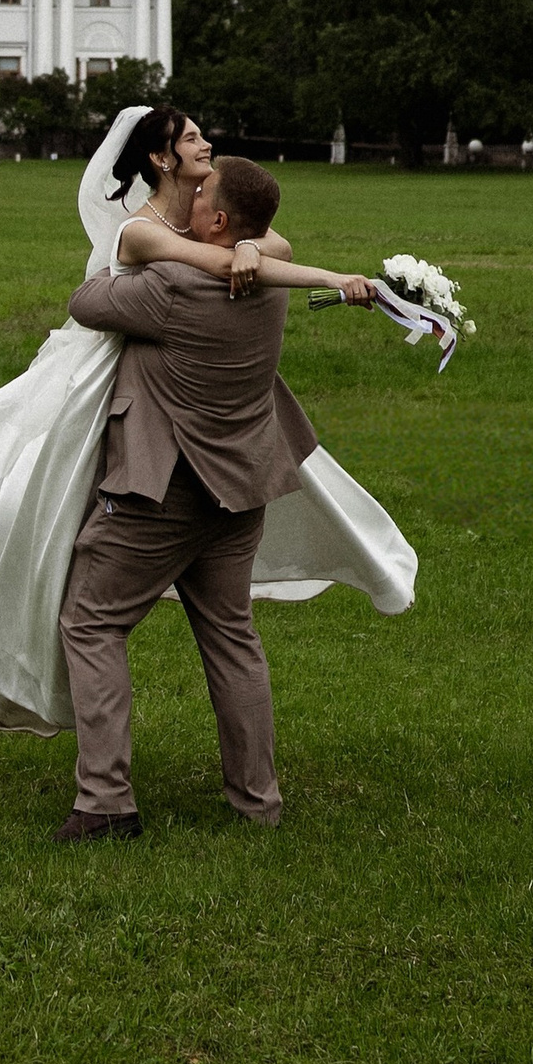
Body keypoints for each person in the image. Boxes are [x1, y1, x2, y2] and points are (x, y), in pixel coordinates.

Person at [0, 103, 418, 744]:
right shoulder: (144, 232)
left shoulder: (212, 209)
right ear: (159, 158)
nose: (207, 143)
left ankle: (108, 797)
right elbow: (193, 265)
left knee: (132, 618)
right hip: (128, 380)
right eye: (193, 137)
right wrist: (258, 260)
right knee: (41, 504)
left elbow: (269, 241)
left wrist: (268, 251)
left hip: (182, 410)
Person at [55, 153, 359, 839]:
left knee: (93, 621)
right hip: (241, 491)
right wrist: (252, 246)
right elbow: (275, 245)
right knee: (231, 638)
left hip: (159, 493)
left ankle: (105, 803)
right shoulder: (269, 281)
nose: (188, 199)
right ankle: (258, 802)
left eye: (201, 198)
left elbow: (87, 299)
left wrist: (133, 246)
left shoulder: (169, 289)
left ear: (219, 222)